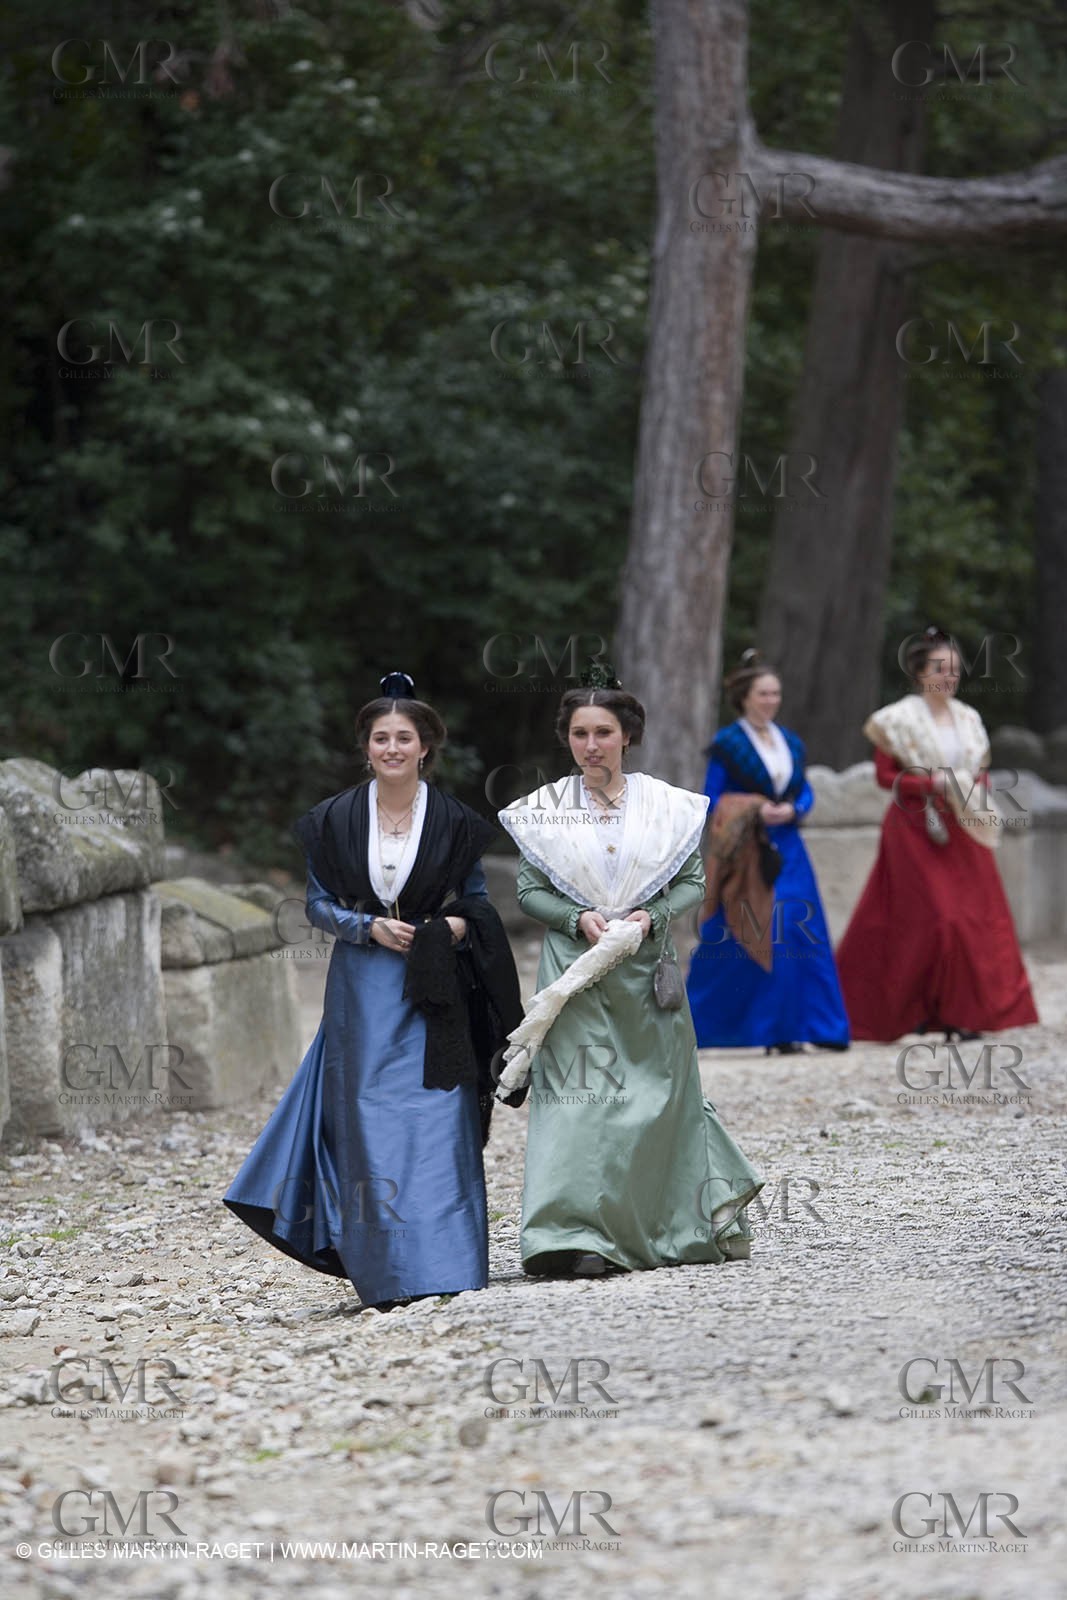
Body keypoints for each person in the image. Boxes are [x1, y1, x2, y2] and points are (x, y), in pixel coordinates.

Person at [224, 672, 522, 1309]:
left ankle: (449, 1263)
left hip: (435, 986)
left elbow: (476, 902)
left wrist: (448, 930)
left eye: (404, 738)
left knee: (440, 1113)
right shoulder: (332, 820)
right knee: (368, 1119)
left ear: (425, 747)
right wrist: (367, 928)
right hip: (363, 985)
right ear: (366, 747)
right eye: (381, 738)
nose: (392, 748)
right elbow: (317, 905)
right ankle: (388, 1273)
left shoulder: (455, 821)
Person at [496, 666, 763, 1277]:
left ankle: (661, 1226)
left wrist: (651, 917)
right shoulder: (545, 811)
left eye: (604, 733)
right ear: (566, 738)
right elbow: (530, 891)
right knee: (577, 1098)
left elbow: (693, 883)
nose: (591, 745)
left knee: (655, 1098)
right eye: (580, 733)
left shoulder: (667, 807)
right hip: (576, 969)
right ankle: (568, 1235)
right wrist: (576, 917)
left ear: (628, 736)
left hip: (647, 970)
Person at [836, 628, 1038, 1041]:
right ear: (919, 672)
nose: (949, 677)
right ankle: (904, 1010)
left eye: (955, 670)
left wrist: (974, 789)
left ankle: (959, 1014)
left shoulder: (969, 720)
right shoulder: (897, 721)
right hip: (915, 827)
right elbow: (885, 777)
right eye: (940, 669)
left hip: (964, 826)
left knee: (971, 920)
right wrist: (933, 784)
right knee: (932, 918)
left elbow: (980, 772)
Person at [685, 650, 850, 1054]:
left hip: (789, 846)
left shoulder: (789, 742)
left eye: (775, 693)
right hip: (747, 850)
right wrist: (756, 808)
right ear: (745, 696)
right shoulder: (729, 744)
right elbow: (712, 796)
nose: (771, 700)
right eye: (763, 693)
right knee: (745, 928)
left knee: (798, 927)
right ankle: (715, 1025)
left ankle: (815, 1025)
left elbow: (804, 789)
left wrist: (796, 809)